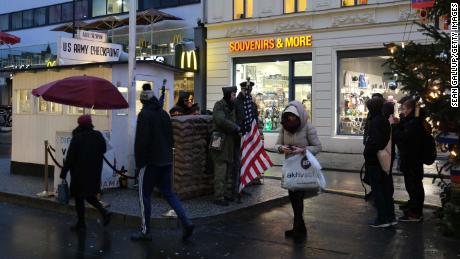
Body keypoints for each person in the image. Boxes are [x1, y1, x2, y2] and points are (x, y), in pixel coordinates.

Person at [131, 90, 194, 241]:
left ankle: (146, 232)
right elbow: (171, 137)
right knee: (169, 194)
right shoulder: (164, 113)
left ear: (143, 101)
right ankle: (186, 222)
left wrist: (139, 163)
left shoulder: (144, 115)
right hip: (166, 160)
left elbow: (141, 141)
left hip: (150, 162)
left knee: (144, 195)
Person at [274, 101, 322, 241]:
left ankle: (298, 228)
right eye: (288, 116)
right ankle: (300, 227)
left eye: (293, 117)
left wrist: (303, 150)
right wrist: (282, 148)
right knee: (293, 197)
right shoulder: (284, 127)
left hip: (303, 166)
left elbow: (318, 147)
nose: (290, 119)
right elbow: (277, 145)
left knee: (298, 197)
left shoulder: (308, 127)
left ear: (299, 115)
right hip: (290, 167)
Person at [60, 115, 112, 232]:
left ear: (79, 124)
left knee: (79, 197)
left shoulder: (77, 137)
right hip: (94, 172)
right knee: (89, 195)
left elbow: (70, 158)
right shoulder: (97, 135)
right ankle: (104, 212)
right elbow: (103, 149)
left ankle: (81, 223)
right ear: (90, 123)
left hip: (79, 173)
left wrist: (63, 173)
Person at [390, 97, 425, 222]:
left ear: (410, 109)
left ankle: (415, 213)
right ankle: (413, 206)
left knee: (414, 185)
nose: (402, 111)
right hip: (410, 158)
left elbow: (404, 137)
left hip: (412, 159)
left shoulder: (414, 123)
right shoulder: (413, 120)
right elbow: (405, 126)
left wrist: (394, 126)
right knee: (412, 185)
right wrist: (400, 121)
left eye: (404, 109)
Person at [363, 98, 396, 228]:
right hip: (383, 161)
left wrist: (368, 151)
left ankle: (382, 218)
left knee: (378, 191)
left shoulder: (376, 121)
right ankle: (390, 216)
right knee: (386, 189)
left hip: (375, 161)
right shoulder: (383, 120)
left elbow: (377, 142)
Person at [211, 86, 240, 206]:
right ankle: (219, 196)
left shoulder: (232, 106)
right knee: (220, 170)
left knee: (229, 170)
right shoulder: (219, 105)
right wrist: (236, 127)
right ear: (228, 95)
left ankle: (227, 194)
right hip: (220, 140)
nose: (234, 97)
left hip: (230, 141)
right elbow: (220, 121)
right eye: (233, 95)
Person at [234, 80, 261, 199]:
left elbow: (254, 118)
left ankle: (243, 187)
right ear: (242, 89)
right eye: (245, 90)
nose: (247, 92)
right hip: (239, 136)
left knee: (246, 163)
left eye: (249, 90)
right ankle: (236, 189)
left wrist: (258, 131)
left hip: (250, 136)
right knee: (238, 164)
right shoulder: (236, 102)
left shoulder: (252, 103)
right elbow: (234, 117)